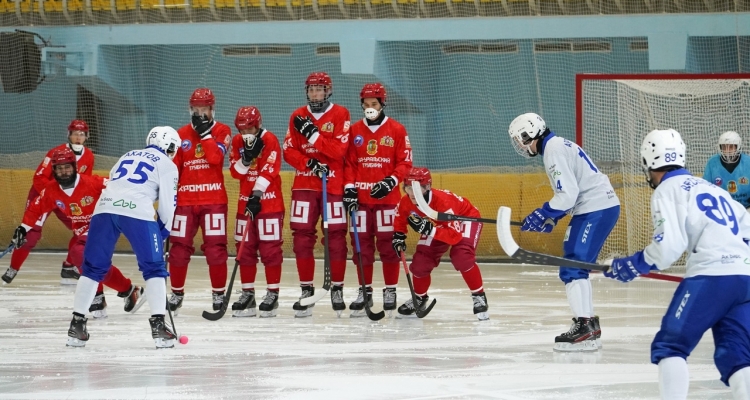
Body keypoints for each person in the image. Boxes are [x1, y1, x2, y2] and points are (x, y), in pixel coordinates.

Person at [603, 129, 750, 400]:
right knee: (737, 355)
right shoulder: (711, 189)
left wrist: (633, 264)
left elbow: (667, 248)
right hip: (745, 279)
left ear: (648, 162)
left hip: (711, 277)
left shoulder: (667, 190)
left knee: (670, 346)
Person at [508, 112, 620, 352]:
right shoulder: (556, 145)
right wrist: (552, 217)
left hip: (596, 208)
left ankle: (585, 324)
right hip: (593, 208)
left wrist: (543, 212)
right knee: (573, 263)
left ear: (530, 133)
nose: (519, 144)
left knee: (573, 265)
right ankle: (588, 322)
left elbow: (567, 195)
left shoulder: (553, 150)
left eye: (520, 139)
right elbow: (571, 192)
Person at [66, 126, 180, 348]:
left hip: (104, 210)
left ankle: (76, 325)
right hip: (137, 211)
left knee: (91, 269)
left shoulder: (127, 155)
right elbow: (168, 206)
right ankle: (158, 326)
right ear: (171, 146)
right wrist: (163, 231)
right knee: (154, 268)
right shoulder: (168, 164)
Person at [7, 147, 141, 319]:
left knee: (79, 252)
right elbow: (35, 209)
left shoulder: (92, 183)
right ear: (53, 170)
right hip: (81, 229)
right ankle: (127, 290)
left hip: (101, 224)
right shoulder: (51, 190)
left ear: (74, 166)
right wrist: (22, 229)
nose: (63, 171)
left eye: (67, 167)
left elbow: (118, 187)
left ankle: (100, 295)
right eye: (59, 168)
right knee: (83, 255)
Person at [282, 71, 351, 318]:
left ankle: (337, 288)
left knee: (336, 238)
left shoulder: (341, 114)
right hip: (304, 185)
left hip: (332, 186)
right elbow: (288, 151)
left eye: (319, 89)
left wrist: (312, 134)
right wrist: (308, 163)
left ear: (328, 90)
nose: (315, 94)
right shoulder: (297, 115)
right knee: (301, 239)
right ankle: (306, 289)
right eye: (311, 89)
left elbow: (339, 151)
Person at [343, 83, 412, 317]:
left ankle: (390, 290)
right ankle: (365, 291)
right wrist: (350, 189)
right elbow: (350, 163)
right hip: (361, 202)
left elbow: (405, 162)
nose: (369, 108)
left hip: (388, 201)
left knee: (388, 247)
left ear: (383, 104)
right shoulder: (354, 130)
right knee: (361, 248)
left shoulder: (397, 129)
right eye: (366, 105)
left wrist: (391, 181)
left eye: (374, 104)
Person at [3, 120, 94, 285]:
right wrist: (52, 194)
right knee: (31, 234)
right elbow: (39, 177)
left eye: (81, 134)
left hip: (65, 197)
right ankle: (13, 268)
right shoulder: (55, 152)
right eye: (75, 133)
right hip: (43, 194)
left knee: (81, 227)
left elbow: (84, 181)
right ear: (69, 135)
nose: (78, 137)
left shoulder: (88, 156)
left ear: (86, 137)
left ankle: (68, 267)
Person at [392, 167, 489, 320]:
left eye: (417, 188)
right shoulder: (406, 201)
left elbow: (454, 236)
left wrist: (429, 230)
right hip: (438, 225)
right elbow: (399, 218)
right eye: (409, 188)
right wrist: (398, 235)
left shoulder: (444, 202)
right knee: (420, 263)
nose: (413, 193)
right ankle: (420, 297)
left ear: (427, 187)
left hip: (464, 219)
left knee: (462, 256)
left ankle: (479, 295)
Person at [168, 88, 233, 314]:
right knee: (178, 249)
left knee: (215, 250)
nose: (199, 113)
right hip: (185, 201)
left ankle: (218, 294)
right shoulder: (181, 133)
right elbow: (173, 169)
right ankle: (176, 293)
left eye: (203, 109)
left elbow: (215, 158)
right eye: (195, 109)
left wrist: (205, 134)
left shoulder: (223, 130)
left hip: (213, 199)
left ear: (212, 109)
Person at [228, 106, 284, 318]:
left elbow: (270, 169)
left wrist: (257, 194)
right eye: (242, 130)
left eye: (249, 129)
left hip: (268, 203)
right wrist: (246, 159)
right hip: (245, 204)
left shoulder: (270, 139)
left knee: (270, 251)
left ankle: (272, 293)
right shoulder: (236, 142)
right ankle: (247, 293)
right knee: (245, 250)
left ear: (257, 125)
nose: (245, 134)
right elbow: (235, 173)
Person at [703, 131, 750, 209]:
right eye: (724, 147)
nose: (727, 150)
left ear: (737, 147)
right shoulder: (712, 163)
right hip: (721, 209)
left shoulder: (748, 162)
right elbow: (706, 188)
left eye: (731, 147)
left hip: (746, 208)